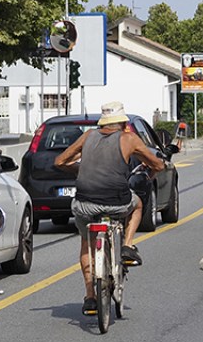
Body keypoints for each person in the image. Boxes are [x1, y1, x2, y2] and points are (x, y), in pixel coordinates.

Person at [54, 101, 165, 315]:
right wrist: (150, 170)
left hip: (85, 204)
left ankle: (89, 296)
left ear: (103, 123)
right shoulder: (129, 139)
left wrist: (81, 169)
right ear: (123, 123)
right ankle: (128, 246)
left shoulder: (88, 137)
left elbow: (60, 161)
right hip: (117, 203)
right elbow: (158, 164)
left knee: (86, 242)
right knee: (137, 205)